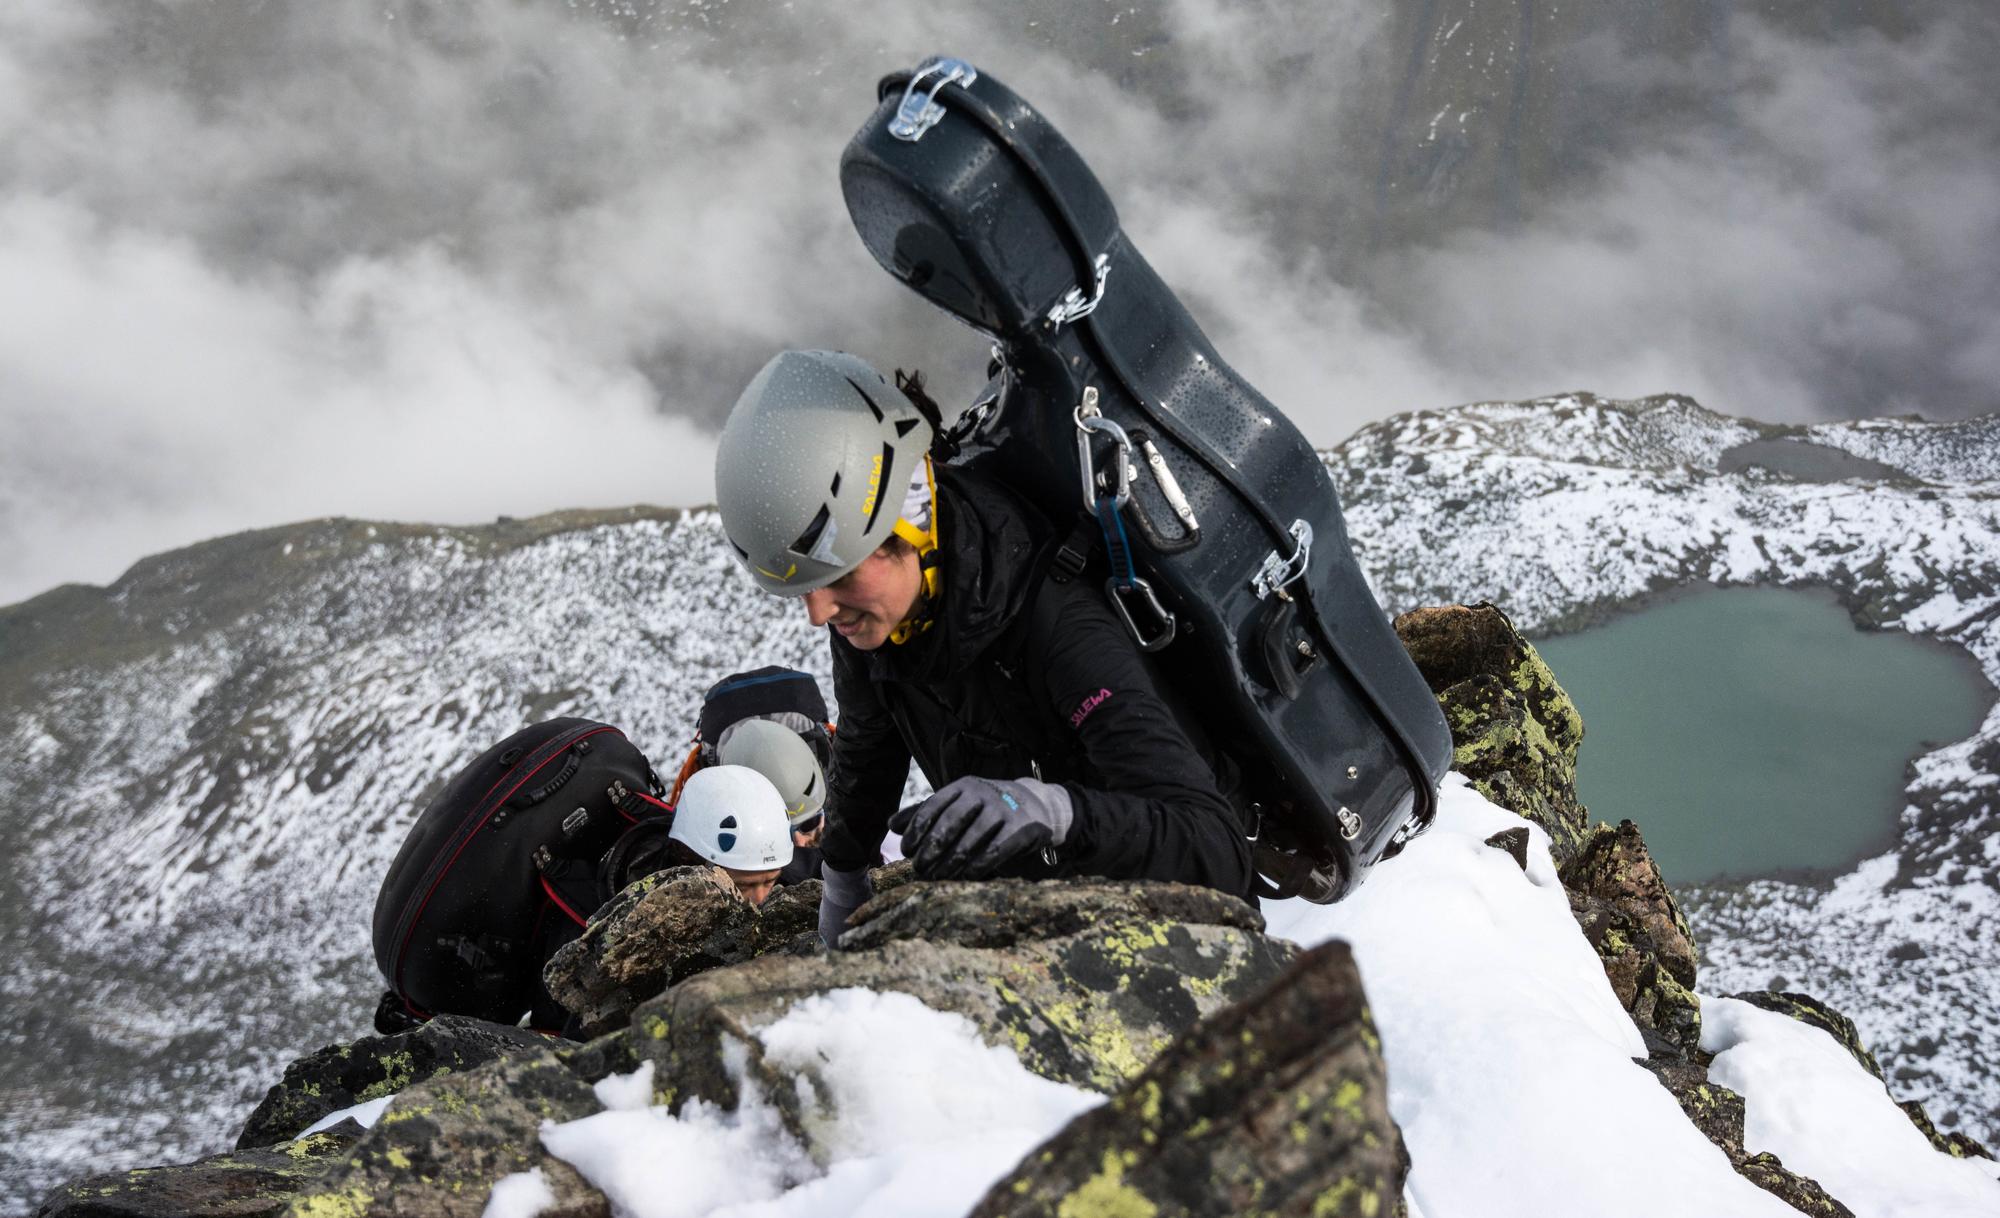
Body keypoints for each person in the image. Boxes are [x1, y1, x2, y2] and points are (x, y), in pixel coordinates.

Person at [713, 350, 1253, 946]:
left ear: (912, 530)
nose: (820, 613)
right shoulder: (879, 617)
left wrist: (1055, 813)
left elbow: (1217, 850)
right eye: (809, 588)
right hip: (1032, 918)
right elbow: (870, 746)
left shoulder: (1060, 624)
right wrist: (843, 878)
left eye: (839, 576)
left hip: (1173, 932)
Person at [660, 764, 795, 906]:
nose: (760, 899)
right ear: (693, 863)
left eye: (770, 881)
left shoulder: (802, 873)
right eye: (742, 886)